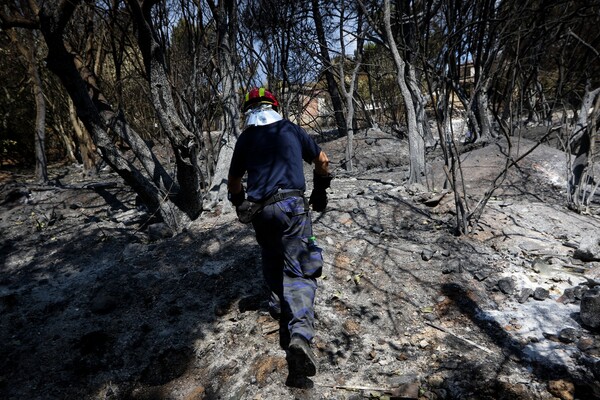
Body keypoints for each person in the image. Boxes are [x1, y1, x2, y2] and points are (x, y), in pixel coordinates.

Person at [227, 87, 332, 378]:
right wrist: (321, 189)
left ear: (249, 110)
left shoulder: (246, 138)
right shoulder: (291, 129)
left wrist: (239, 203)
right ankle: (299, 335)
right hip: (292, 206)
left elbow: (234, 180)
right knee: (301, 270)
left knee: (272, 255)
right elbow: (322, 160)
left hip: (262, 211)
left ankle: (278, 306)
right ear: (274, 105)